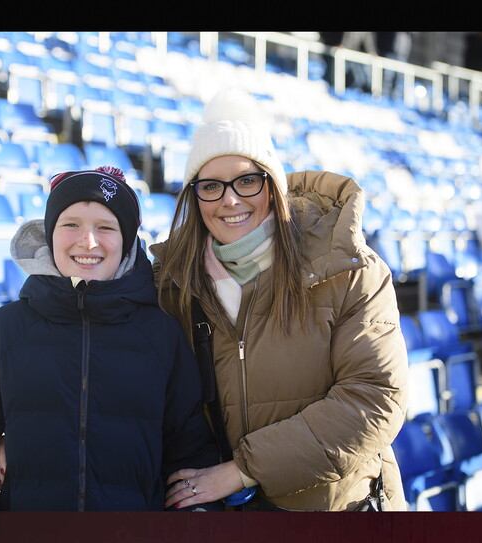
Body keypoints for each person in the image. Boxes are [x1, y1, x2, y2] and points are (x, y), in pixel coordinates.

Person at [153, 88, 409, 511]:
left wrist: (241, 470)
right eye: (211, 186)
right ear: (194, 197)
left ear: (272, 185)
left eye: (247, 180)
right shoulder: (173, 284)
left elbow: (375, 398)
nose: (230, 200)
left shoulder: (348, 268)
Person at [0, 166, 220, 511]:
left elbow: (190, 452)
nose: (88, 241)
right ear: (50, 234)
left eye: (106, 227)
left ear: (127, 242)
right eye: (71, 224)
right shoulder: (5, 329)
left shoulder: (161, 335)